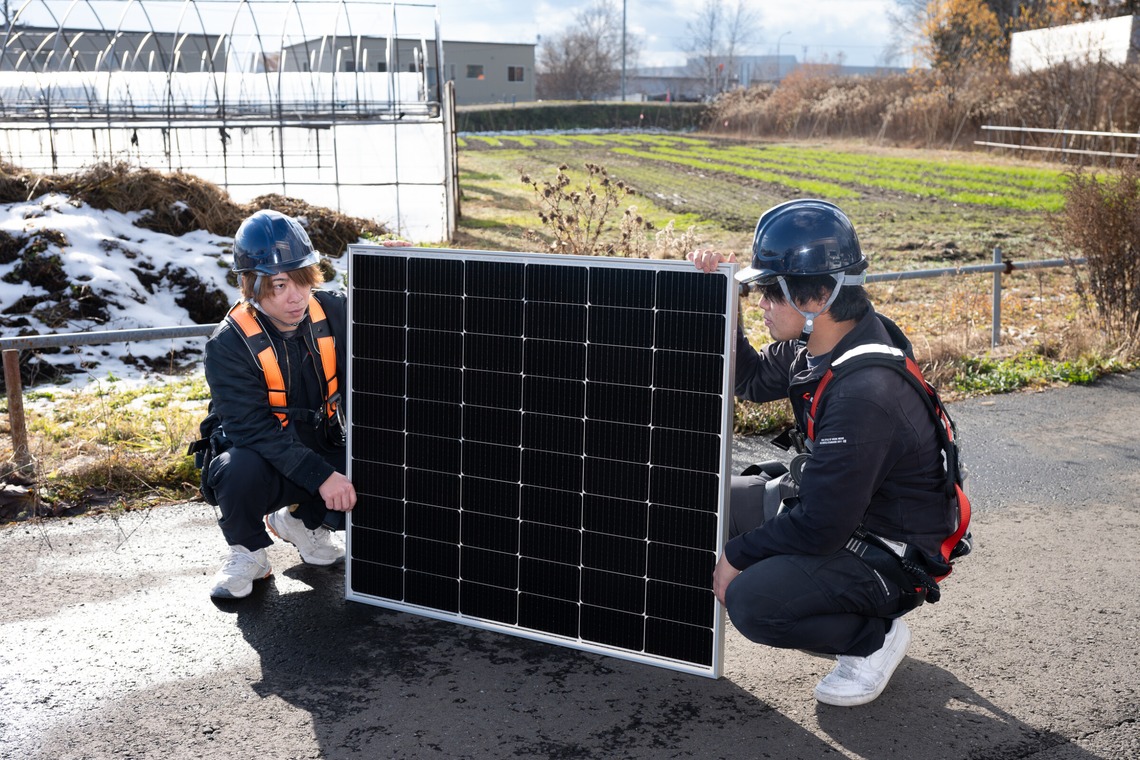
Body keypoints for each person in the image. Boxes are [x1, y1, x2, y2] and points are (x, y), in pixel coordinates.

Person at [689, 199, 960, 707]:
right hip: (840, 510)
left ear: (817, 295)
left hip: (888, 549)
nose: (761, 302)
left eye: (770, 291)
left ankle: (872, 639)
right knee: (707, 505)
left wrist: (736, 556)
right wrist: (722, 295)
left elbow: (822, 526)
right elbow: (749, 379)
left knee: (752, 601)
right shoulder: (817, 345)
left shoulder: (866, 391)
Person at [197, 209, 405, 599]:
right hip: (261, 454)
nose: (295, 297)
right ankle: (248, 552)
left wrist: (399, 267)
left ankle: (302, 522)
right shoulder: (227, 344)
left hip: (321, 440)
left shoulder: (333, 311)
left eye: (302, 279)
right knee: (235, 469)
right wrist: (322, 477)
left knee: (387, 462)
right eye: (278, 285)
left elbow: (388, 310)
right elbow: (251, 430)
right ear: (251, 286)